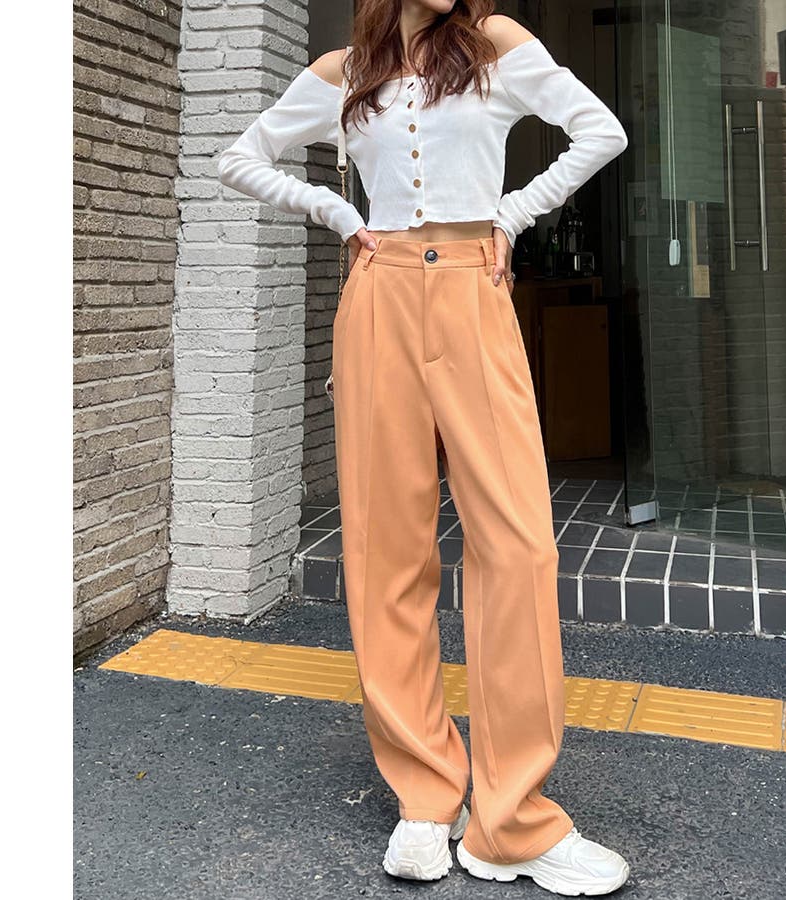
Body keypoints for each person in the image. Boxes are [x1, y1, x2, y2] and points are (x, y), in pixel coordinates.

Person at [218, 1, 629, 894]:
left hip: (475, 291)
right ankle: (424, 794)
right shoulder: (344, 71)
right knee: (385, 548)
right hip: (380, 296)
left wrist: (513, 216)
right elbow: (240, 157)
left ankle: (513, 821)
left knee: (518, 544)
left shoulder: (495, 44)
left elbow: (601, 131)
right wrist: (335, 211)